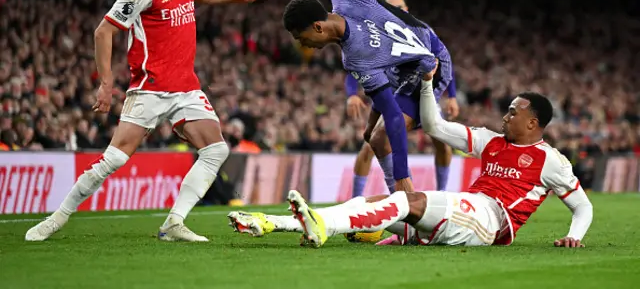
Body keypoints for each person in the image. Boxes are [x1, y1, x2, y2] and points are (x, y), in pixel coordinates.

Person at [25, 0, 266, 242]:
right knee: (114, 159)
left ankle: (173, 223)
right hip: (150, 87)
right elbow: (104, 30)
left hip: (185, 86)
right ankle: (56, 218)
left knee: (215, 149)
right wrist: (106, 84)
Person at [227, 65, 593, 248]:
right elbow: (434, 126)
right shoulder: (490, 140)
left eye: (513, 112)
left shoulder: (551, 160)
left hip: (491, 221)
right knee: (376, 201)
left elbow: (583, 206)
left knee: (407, 200)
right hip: (467, 209)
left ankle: (321, 228)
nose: (506, 115)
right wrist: (428, 83)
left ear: (533, 123)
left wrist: (573, 236)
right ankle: (277, 223)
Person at [283, 0, 469, 192]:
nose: (303, 45)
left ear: (317, 27)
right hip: (402, 72)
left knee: (394, 139)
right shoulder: (352, 48)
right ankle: (402, 209)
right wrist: (370, 126)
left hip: (432, 64)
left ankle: (408, 199)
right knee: (376, 139)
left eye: (301, 38)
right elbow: (384, 103)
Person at [345, 0, 459, 198]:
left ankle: (442, 193)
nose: (394, 11)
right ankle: (356, 201)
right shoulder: (374, 33)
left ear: (407, 10)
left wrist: (451, 96)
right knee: (370, 145)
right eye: (389, 7)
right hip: (389, 94)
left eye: (399, 8)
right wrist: (352, 93)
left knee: (442, 142)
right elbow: (357, 65)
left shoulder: (420, 30)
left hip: (418, 94)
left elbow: (442, 61)